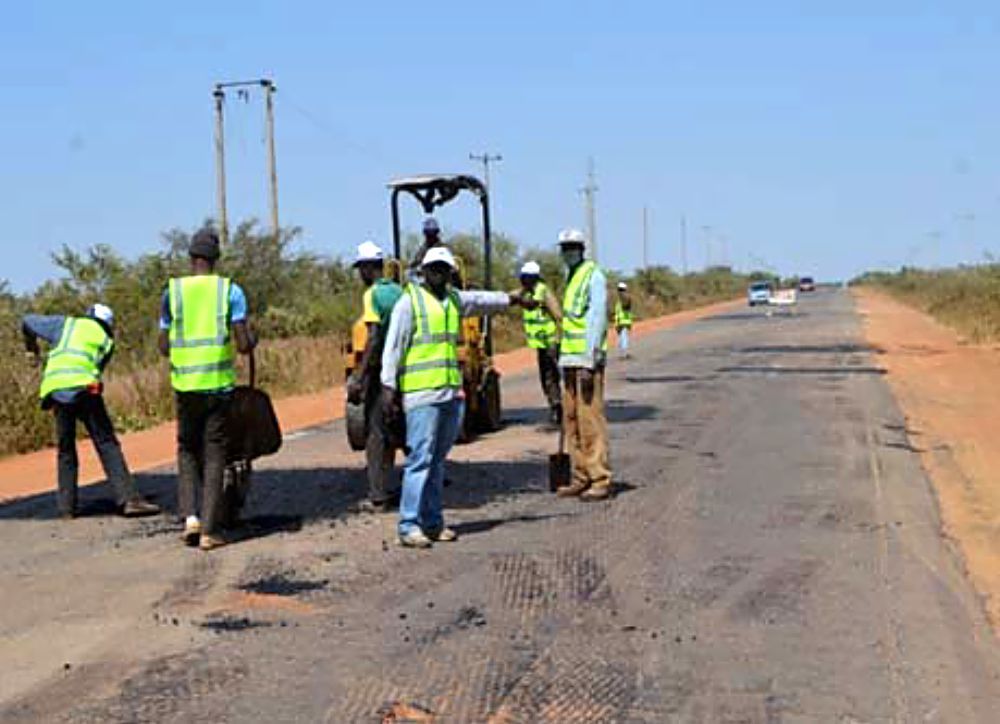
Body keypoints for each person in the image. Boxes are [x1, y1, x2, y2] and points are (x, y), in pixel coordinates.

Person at [381, 246, 529, 548]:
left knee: (437, 462)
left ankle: (433, 522)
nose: (439, 274)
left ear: (451, 273)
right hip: (422, 395)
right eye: (433, 268)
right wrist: (388, 387)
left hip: (449, 392)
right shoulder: (409, 303)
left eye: (444, 269)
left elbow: (479, 301)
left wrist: (511, 299)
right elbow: (393, 347)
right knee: (419, 460)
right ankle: (408, 525)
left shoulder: (453, 300)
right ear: (424, 271)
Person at [158, 229, 255, 551]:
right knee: (215, 454)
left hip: (185, 386)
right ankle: (210, 531)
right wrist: (251, 339)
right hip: (217, 387)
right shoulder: (230, 290)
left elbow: (162, 345)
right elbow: (243, 345)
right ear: (215, 260)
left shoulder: (173, 292)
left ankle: (190, 518)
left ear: (191, 259)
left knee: (187, 449)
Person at [21, 305, 160, 519]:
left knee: (65, 449)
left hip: (57, 391)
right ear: (107, 325)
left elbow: (27, 320)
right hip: (86, 390)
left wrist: (31, 349)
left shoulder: (65, 324)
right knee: (106, 443)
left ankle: (67, 508)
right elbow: (97, 369)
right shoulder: (107, 341)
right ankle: (129, 499)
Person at [554, 228, 612, 501]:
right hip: (568, 359)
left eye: (573, 246)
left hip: (586, 361)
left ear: (582, 248)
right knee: (571, 418)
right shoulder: (571, 276)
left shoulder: (593, 275)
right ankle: (580, 475)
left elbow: (598, 318)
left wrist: (590, 360)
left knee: (590, 419)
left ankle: (599, 477)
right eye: (565, 247)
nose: (569, 251)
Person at [346, 240, 404, 512]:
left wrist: (359, 375)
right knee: (402, 430)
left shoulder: (372, 295)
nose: (360, 274)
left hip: (381, 372)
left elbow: (373, 336)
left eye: (361, 268)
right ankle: (426, 483)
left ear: (370, 268)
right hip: (405, 371)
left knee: (375, 433)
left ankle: (378, 496)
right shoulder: (400, 291)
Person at [518, 261, 563, 425]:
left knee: (553, 375)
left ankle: (560, 406)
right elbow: (513, 296)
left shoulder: (542, 291)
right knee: (546, 376)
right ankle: (555, 405)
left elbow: (557, 314)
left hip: (551, 341)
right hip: (540, 344)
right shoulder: (527, 291)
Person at [614, 281, 634, 359]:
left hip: (621, 321)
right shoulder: (627, 298)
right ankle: (624, 353)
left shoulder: (621, 300)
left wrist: (617, 323)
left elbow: (618, 312)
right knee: (624, 337)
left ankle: (624, 354)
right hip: (626, 321)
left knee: (622, 337)